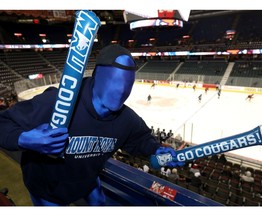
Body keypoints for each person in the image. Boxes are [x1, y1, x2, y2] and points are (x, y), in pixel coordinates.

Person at [0, 44, 183, 206]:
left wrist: (157, 149)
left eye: (128, 83)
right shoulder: (58, 104)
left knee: (99, 202)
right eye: (115, 80)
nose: (121, 89)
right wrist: (24, 139)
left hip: (85, 181)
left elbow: (140, 139)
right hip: (48, 190)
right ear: (97, 76)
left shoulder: (127, 119)